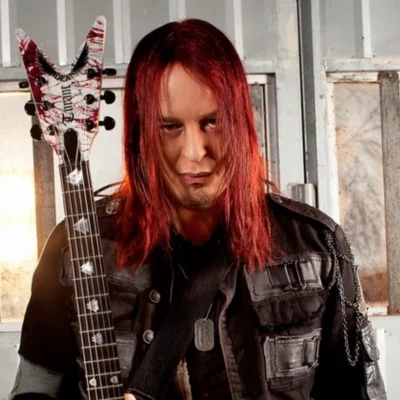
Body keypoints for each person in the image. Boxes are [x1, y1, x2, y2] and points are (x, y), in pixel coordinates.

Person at [10, 18, 386, 400]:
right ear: (141, 133)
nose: (194, 152)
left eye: (212, 122)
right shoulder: (75, 246)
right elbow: (34, 390)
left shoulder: (318, 247)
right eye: (170, 127)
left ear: (240, 122)